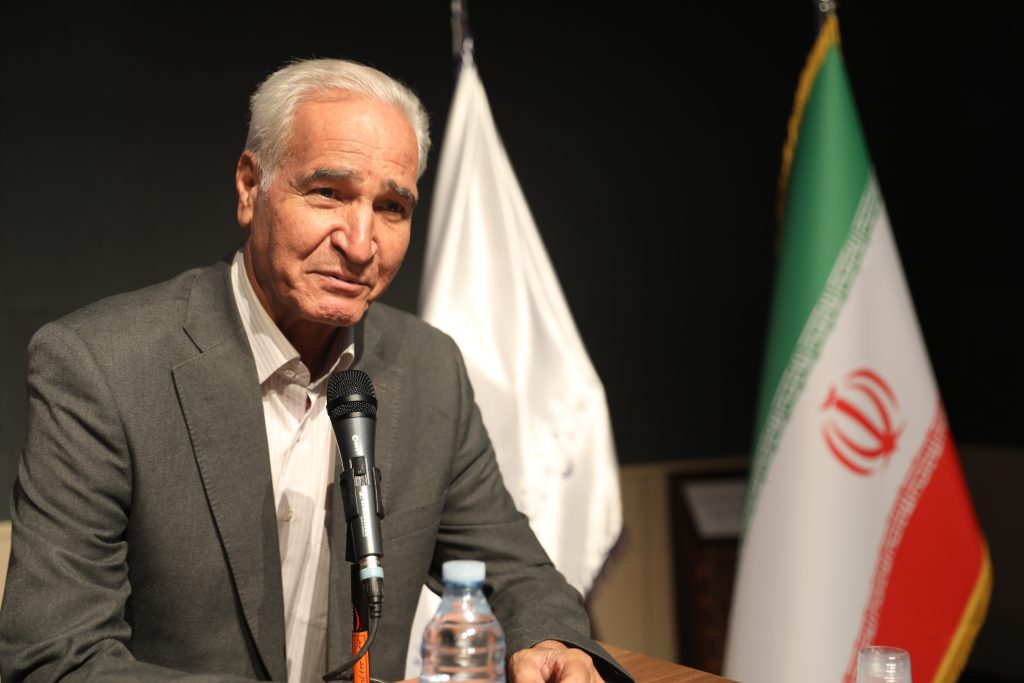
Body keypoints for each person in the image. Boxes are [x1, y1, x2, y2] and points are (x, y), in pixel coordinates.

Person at [0, 58, 630, 683]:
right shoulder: (102, 367)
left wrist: (549, 639)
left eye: (391, 207)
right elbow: (55, 657)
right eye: (328, 193)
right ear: (250, 187)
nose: (359, 243)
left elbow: (514, 570)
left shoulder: (429, 368)